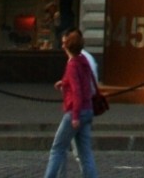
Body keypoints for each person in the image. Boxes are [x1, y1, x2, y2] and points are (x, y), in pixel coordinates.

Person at [43, 28, 99, 178]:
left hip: (76, 111)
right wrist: (64, 82)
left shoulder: (72, 64)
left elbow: (77, 91)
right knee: (85, 153)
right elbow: (85, 83)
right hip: (88, 110)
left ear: (68, 46)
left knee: (57, 148)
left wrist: (74, 116)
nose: (62, 46)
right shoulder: (84, 60)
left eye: (64, 43)